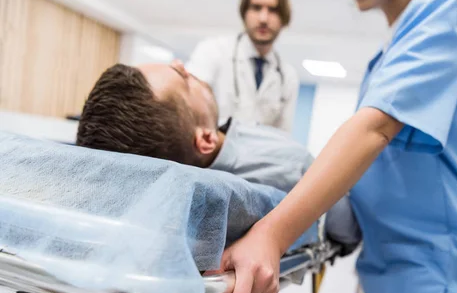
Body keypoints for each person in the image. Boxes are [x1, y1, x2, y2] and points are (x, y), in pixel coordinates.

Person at [213, 0, 457, 293]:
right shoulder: (392, 48)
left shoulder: (446, 11)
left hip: (428, 266)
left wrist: (272, 235)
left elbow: (372, 130)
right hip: (391, 257)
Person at [76, 61, 361, 247]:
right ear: (206, 140)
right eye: (181, 77)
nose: (180, 64)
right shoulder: (291, 164)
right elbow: (346, 226)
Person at [186, 0, 299, 132]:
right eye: (256, 8)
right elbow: (187, 104)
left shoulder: (287, 76)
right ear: (244, 13)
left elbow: (282, 135)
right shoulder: (212, 51)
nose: (263, 19)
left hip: (258, 153)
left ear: (284, 18)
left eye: (273, 10)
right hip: (211, 150)